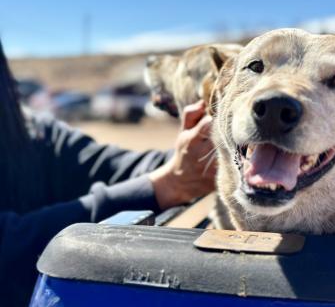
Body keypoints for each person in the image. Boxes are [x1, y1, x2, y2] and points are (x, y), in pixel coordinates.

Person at [0, 41, 216, 306]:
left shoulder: (34, 132)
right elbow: (10, 243)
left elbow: (117, 167)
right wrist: (167, 185)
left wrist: (202, 148)